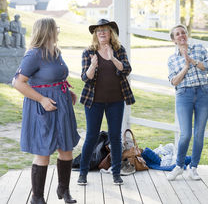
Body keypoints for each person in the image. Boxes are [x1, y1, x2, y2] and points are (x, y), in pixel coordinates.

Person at [13, 18, 80, 204]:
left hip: (62, 106)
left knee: (66, 149)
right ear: (48, 31)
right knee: (43, 152)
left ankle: (63, 189)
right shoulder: (33, 55)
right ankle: (37, 197)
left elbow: (55, 77)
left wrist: (67, 91)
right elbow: (18, 82)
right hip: (43, 108)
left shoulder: (55, 52)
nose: (58, 31)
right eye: (56, 28)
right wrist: (42, 99)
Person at [78, 19, 135, 186]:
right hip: (94, 101)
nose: (102, 33)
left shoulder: (118, 50)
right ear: (96, 34)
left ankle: (116, 173)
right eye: (98, 30)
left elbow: (126, 69)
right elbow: (84, 78)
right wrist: (93, 66)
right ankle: (83, 173)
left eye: (105, 30)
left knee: (115, 136)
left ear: (111, 33)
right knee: (91, 136)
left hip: (116, 101)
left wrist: (113, 59)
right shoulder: (89, 52)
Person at [167, 24, 208, 181]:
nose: (181, 36)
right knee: (186, 134)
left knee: (199, 133)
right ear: (174, 40)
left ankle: (193, 168)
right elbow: (174, 81)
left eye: (183, 33)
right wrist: (186, 66)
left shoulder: (199, 48)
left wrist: (192, 61)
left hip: (203, 94)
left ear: (187, 35)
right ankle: (179, 166)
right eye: (178, 34)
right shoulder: (172, 59)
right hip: (184, 95)